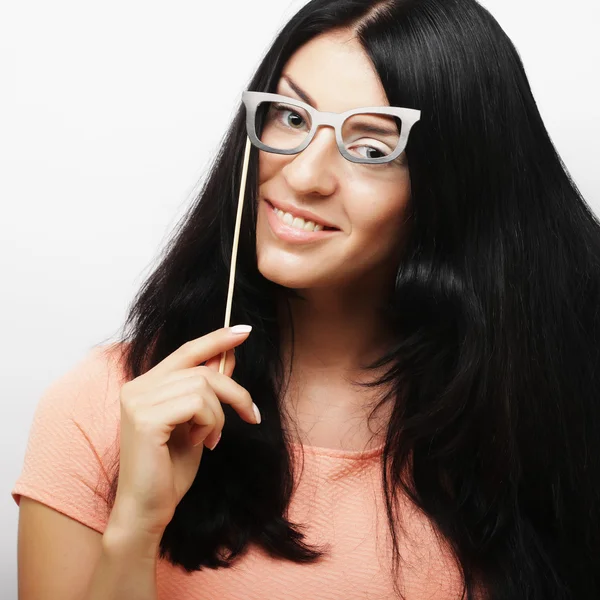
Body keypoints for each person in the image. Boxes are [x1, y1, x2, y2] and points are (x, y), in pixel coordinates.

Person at [12, 0, 600, 598]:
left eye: (372, 148)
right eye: (291, 118)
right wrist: (135, 525)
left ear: (451, 186)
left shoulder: (553, 415)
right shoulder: (103, 408)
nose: (302, 176)